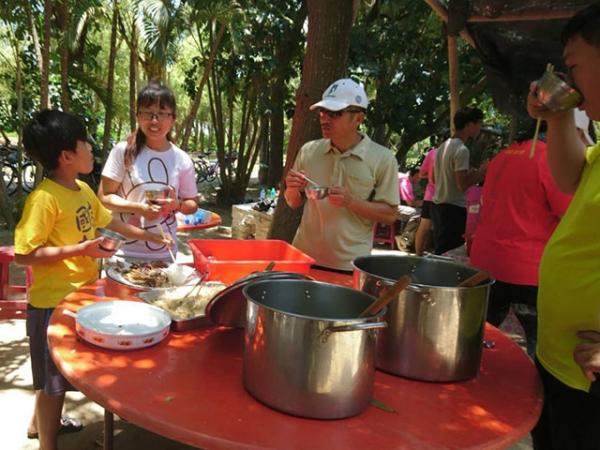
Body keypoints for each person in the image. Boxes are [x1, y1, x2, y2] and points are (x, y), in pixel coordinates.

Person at [14, 110, 170, 450]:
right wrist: (80, 249)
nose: (92, 150)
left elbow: (111, 223)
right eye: (85, 143)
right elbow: (23, 254)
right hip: (50, 305)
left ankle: (36, 423)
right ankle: (47, 444)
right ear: (67, 156)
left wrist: (152, 237)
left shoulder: (82, 189)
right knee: (52, 384)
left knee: (52, 374)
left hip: (77, 299)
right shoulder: (44, 200)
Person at [526, 4, 600, 448]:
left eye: (573, 65)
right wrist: (556, 117)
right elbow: (570, 178)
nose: (569, 81)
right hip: (561, 365)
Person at [469, 121, 572, 358]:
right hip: (528, 270)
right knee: (541, 347)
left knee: (476, 339)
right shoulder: (552, 160)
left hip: (487, 262)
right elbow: (569, 214)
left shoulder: (502, 156)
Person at [284, 78, 399, 272]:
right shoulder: (309, 151)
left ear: (359, 118)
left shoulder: (383, 159)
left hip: (349, 265)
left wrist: (351, 202)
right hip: (303, 259)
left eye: (334, 113)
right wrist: (292, 188)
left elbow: (390, 214)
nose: (324, 118)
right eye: (322, 112)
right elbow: (293, 202)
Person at [99, 83, 198, 261]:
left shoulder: (181, 159)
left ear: (173, 118)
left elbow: (192, 204)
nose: (154, 120)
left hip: (164, 254)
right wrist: (140, 208)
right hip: (122, 254)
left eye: (161, 113)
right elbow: (105, 197)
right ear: (138, 116)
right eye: (147, 113)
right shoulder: (123, 151)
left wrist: (175, 205)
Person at [431, 107, 487, 255]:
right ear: (469, 125)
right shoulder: (462, 150)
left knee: (441, 251)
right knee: (450, 254)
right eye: (479, 124)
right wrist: (481, 172)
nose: (479, 128)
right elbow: (461, 184)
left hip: (438, 205)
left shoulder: (443, 147)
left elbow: (437, 178)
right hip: (453, 208)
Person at [415, 147, 436, 255]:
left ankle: (418, 254)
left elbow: (421, 174)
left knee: (424, 225)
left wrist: (430, 177)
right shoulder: (457, 150)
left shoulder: (432, 153)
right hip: (447, 197)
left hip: (430, 195)